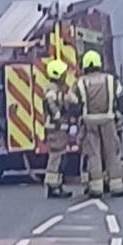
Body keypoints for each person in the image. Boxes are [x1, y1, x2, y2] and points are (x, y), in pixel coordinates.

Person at [68, 50, 123, 199]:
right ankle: (116, 186)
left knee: (94, 154)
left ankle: (96, 188)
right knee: (112, 153)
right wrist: (118, 113)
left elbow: (73, 102)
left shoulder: (80, 82)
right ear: (99, 64)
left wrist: (77, 117)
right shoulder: (110, 80)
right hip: (108, 120)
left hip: (90, 122)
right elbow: (121, 97)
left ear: (85, 65)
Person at [42, 59, 74, 199]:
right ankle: (54, 186)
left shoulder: (55, 90)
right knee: (57, 156)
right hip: (56, 129)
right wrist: (59, 116)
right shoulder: (52, 91)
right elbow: (53, 108)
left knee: (59, 156)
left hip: (58, 128)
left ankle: (56, 184)